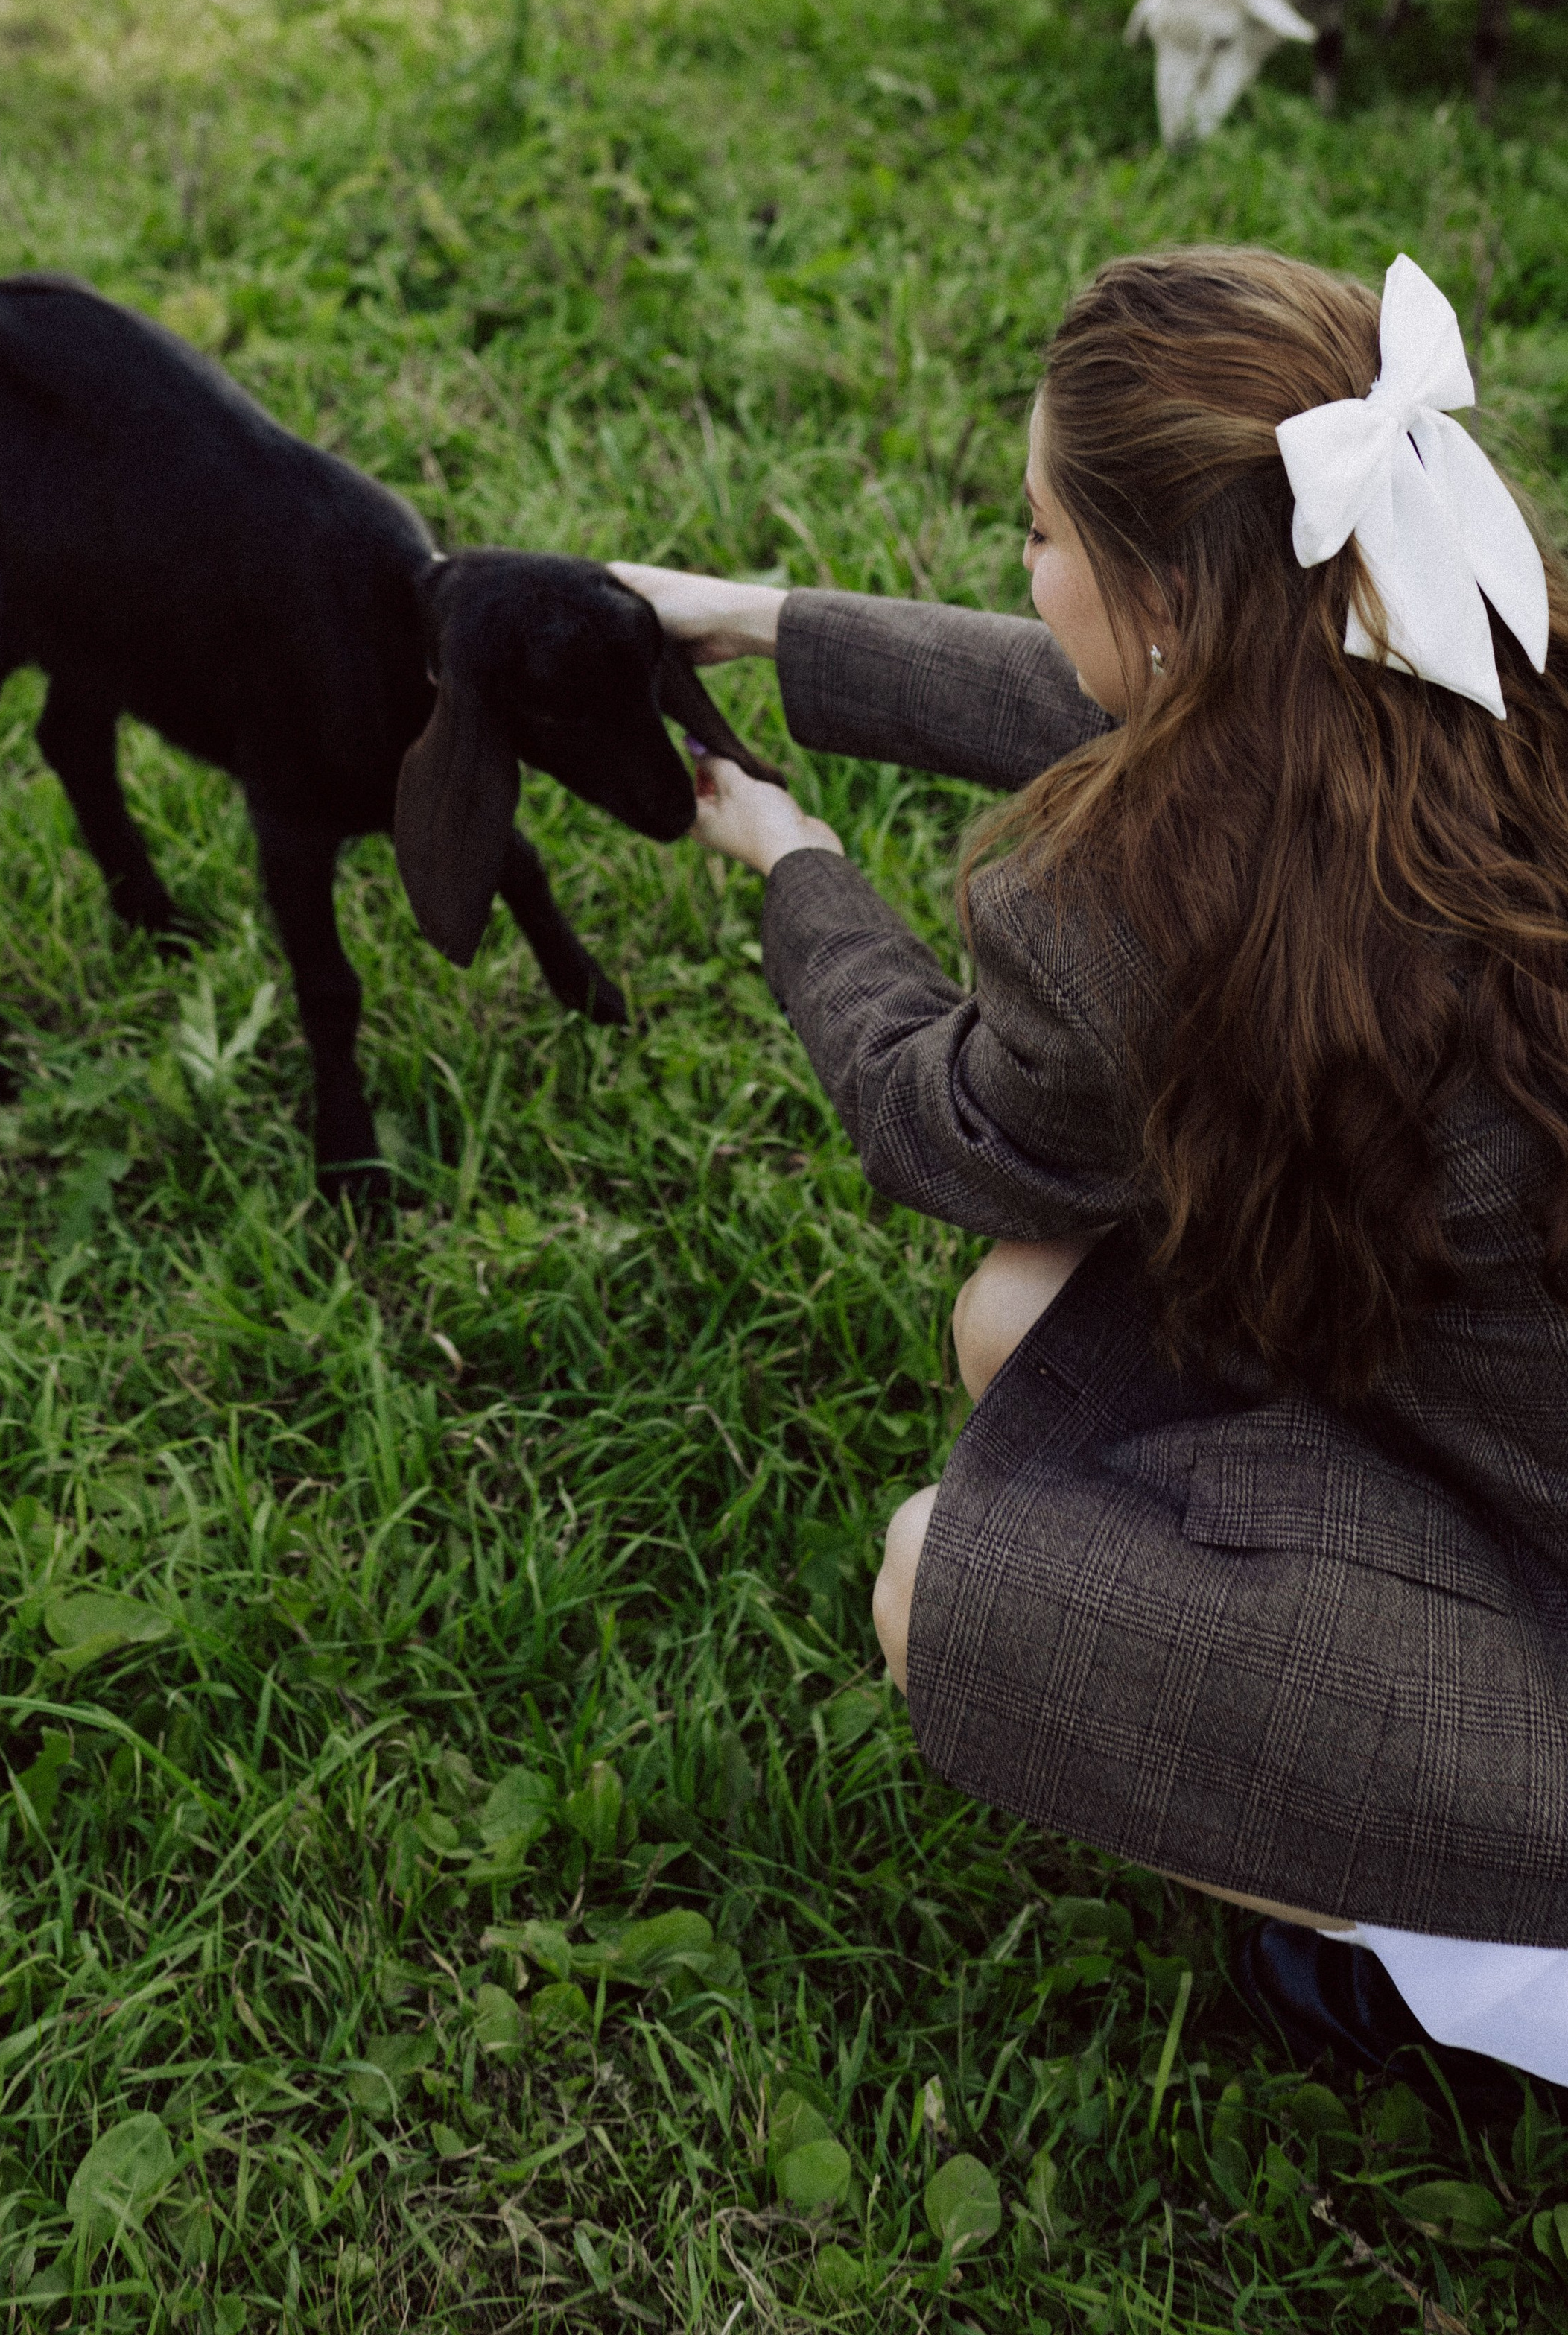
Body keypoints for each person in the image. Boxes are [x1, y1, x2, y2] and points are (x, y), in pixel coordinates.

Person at [615, 244, 1568, 2109]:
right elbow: (1190, 713)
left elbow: (938, 1122)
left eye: (1040, 534)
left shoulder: (1120, 916)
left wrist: (792, 864)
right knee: (1021, 1322)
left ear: (1163, 598)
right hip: (1521, 1446)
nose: (1022, 566)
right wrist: (755, 623)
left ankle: (1472, 1969)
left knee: (933, 1584)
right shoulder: (1486, 641)